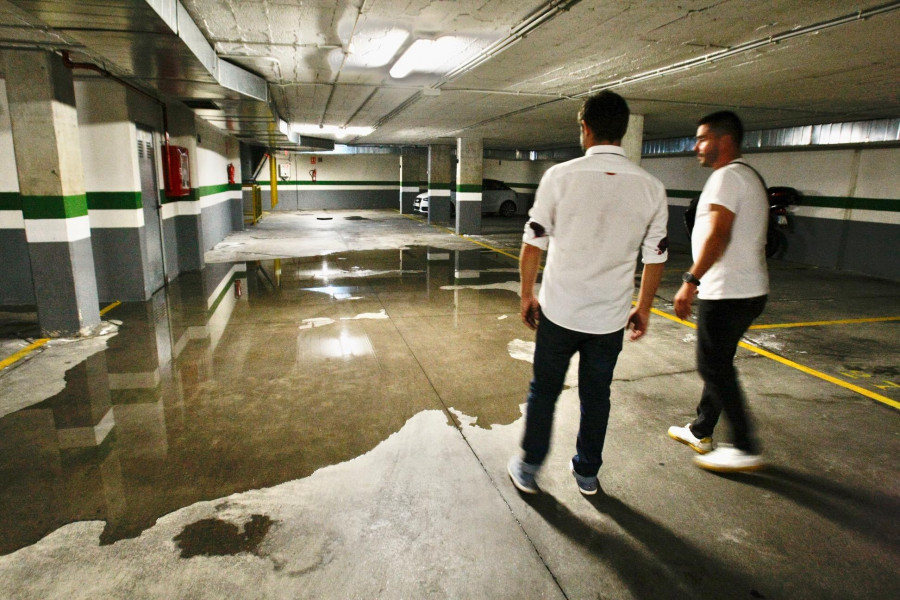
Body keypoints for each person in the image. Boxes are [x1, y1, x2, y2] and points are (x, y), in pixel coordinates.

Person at [507, 91, 669, 495]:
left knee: (544, 390)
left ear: (585, 128)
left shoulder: (560, 177)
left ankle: (528, 467)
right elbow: (656, 257)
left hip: (559, 312)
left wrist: (527, 295)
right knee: (596, 396)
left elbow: (533, 244)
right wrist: (643, 308)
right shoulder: (651, 188)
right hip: (608, 320)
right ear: (624, 131)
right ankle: (587, 473)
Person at [668, 110, 769, 472]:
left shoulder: (726, 177)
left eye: (702, 138)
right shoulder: (748, 176)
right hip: (749, 289)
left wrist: (690, 281)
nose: (696, 146)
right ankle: (701, 430)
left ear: (723, 141)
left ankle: (744, 446)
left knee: (711, 365)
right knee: (719, 363)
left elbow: (719, 235)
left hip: (728, 291)